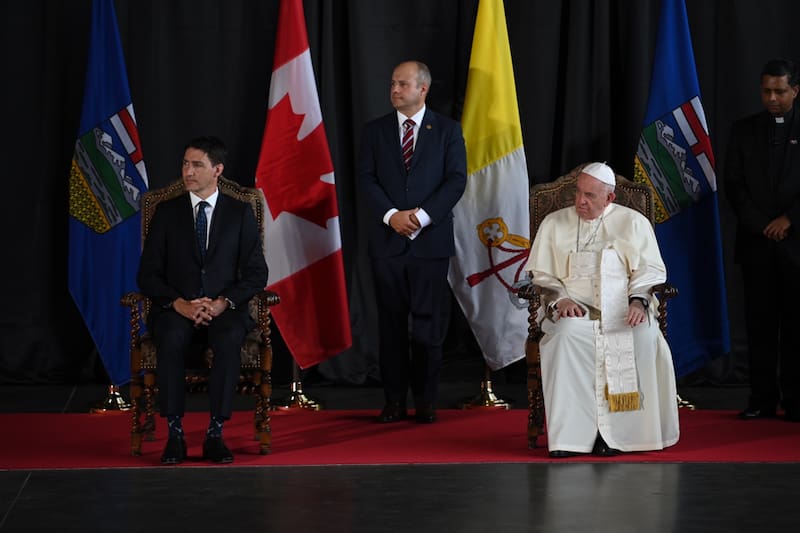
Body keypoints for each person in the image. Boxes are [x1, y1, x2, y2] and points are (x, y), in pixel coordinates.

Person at [523, 162, 680, 457]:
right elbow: (542, 275)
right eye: (578, 193)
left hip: (623, 311)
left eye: (590, 196)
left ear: (610, 199)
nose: (580, 201)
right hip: (573, 313)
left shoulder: (633, 223)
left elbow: (650, 271)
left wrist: (638, 301)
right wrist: (560, 299)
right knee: (566, 337)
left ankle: (621, 437)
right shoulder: (554, 223)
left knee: (643, 337)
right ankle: (572, 438)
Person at [137, 136, 268, 464]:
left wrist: (223, 302)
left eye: (197, 165)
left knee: (227, 338)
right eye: (185, 163)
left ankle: (215, 432)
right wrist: (178, 303)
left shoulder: (239, 212)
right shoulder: (166, 213)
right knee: (170, 336)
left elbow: (256, 273)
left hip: (223, 307)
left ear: (217, 170)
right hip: (176, 307)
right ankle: (175, 433)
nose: (188, 171)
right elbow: (147, 275)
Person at [357, 60, 467, 424]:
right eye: (392, 84)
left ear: (423, 89)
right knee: (389, 326)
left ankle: (425, 401)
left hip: (429, 244)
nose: (394, 90)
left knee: (427, 326)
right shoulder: (374, 132)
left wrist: (420, 217)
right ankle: (393, 401)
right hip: (387, 243)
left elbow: (455, 181)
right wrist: (392, 216)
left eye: (402, 84)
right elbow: (366, 179)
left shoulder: (448, 130)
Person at [725, 58, 800, 422]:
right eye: (767, 91)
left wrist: (789, 220)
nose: (772, 98)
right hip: (757, 245)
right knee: (759, 327)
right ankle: (761, 399)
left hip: (796, 245)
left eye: (780, 91)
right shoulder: (744, 130)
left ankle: (797, 400)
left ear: (795, 91)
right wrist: (763, 224)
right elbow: (735, 187)